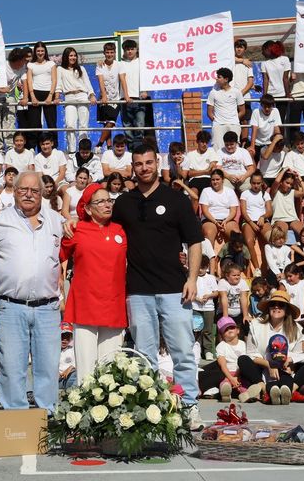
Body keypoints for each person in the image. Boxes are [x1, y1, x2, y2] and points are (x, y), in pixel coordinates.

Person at [91, 143, 204, 425]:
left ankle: (189, 405)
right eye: (139, 164)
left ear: (158, 163)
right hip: (138, 291)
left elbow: (195, 242)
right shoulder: (125, 203)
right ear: (133, 167)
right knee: (144, 356)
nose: (144, 168)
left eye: (149, 163)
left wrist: (191, 278)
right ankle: (152, 408)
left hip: (174, 289)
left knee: (182, 352)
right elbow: (98, 223)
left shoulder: (176, 200)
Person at [0, 171, 66, 410]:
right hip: (11, 306)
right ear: (15, 191)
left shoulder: (56, 220)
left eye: (34, 191)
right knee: (11, 367)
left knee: (48, 368)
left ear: (42, 194)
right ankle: (17, 422)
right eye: (23, 190)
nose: (29, 195)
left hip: (47, 307)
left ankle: (48, 418)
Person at [58, 182, 127, 381]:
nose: (107, 205)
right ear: (88, 208)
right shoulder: (77, 229)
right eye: (100, 202)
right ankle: (83, 408)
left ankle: (108, 408)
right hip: (86, 304)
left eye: (109, 200)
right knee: (86, 368)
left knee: (110, 365)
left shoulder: (120, 230)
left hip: (113, 304)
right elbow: (58, 256)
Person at [0, 48, 27, 147]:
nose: (25, 62)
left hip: (8, 96)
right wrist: (2, 90)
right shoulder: (1, 66)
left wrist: (25, 98)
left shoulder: (22, 67)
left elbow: (25, 82)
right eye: (23, 60)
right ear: (18, 60)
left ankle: (11, 146)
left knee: (10, 120)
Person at [57, 47, 96, 154]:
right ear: (66, 57)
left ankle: (83, 150)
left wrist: (91, 94)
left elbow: (87, 83)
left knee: (83, 125)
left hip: (82, 95)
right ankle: (72, 151)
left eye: (74, 55)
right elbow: (59, 84)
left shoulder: (81, 69)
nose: (73, 57)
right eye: (70, 55)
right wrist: (57, 96)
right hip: (69, 97)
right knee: (70, 124)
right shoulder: (60, 69)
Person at [22, 41, 58, 148]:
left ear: (45, 51)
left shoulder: (51, 64)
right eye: (38, 51)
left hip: (48, 93)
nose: (40, 53)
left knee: (51, 123)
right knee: (34, 124)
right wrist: (32, 96)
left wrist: (51, 95)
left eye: (42, 50)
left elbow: (54, 80)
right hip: (35, 93)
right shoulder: (30, 65)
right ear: (35, 52)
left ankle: (54, 146)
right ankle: (33, 148)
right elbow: (29, 81)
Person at [118, 39, 149, 147]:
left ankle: (139, 149)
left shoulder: (142, 62)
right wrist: (100, 61)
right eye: (127, 49)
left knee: (140, 125)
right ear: (124, 51)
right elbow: (107, 64)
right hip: (124, 99)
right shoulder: (120, 63)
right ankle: (131, 152)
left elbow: (147, 76)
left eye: (132, 49)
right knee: (127, 128)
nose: (130, 51)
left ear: (136, 50)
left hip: (139, 98)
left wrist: (145, 90)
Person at [207, 68, 245, 150]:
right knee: (217, 149)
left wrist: (234, 119)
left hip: (234, 125)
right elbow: (209, 112)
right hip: (218, 125)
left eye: (219, 77)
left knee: (234, 149)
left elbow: (242, 111)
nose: (216, 79)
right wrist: (217, 120)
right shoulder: (213, 92)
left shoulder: (236, 92)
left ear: (226, 79)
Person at [94, 42, 121, 151]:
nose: (109, 54)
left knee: (110, 122)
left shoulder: (119, 64)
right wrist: (104, 95)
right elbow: (101, 81)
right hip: (103, 98)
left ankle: (99, 144)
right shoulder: (100, 65)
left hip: (116, 98)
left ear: (114, 53)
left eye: (111, 52)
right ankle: (109, 146)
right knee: (106, 123)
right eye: (107, 52)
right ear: (104, 53)